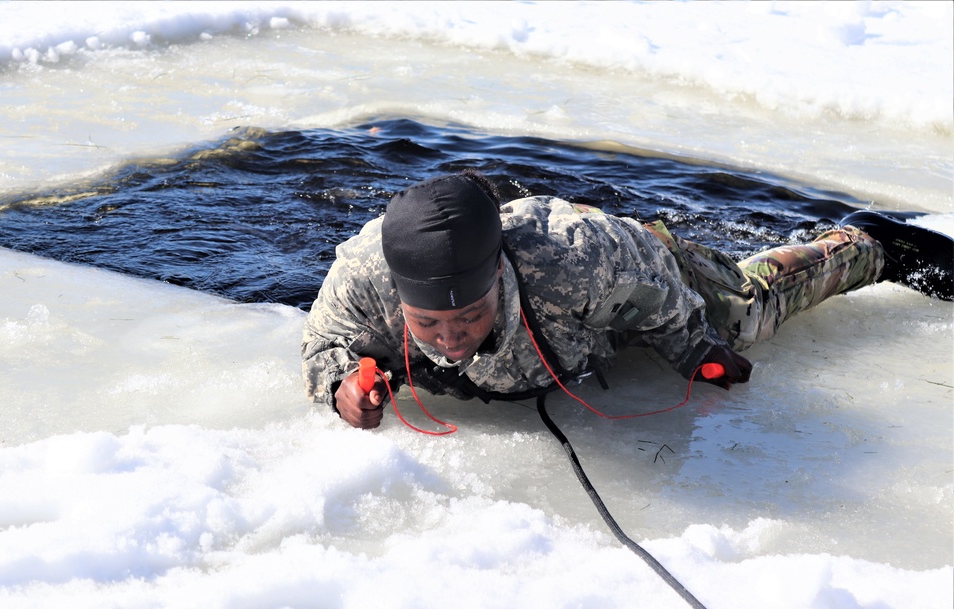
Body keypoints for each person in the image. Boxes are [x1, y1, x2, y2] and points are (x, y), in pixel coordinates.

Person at [302, 170, 953, 429]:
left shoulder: (576, 256)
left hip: (638, 269)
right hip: (575, 307)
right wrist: (342, 385)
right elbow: (322, 343)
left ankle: (868, 244)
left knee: (743, 315)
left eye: (469, 315)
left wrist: (697, 351)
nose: (449, 337)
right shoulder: (363, 274)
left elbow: (668, 300)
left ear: (497, 276)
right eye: (429, 321)